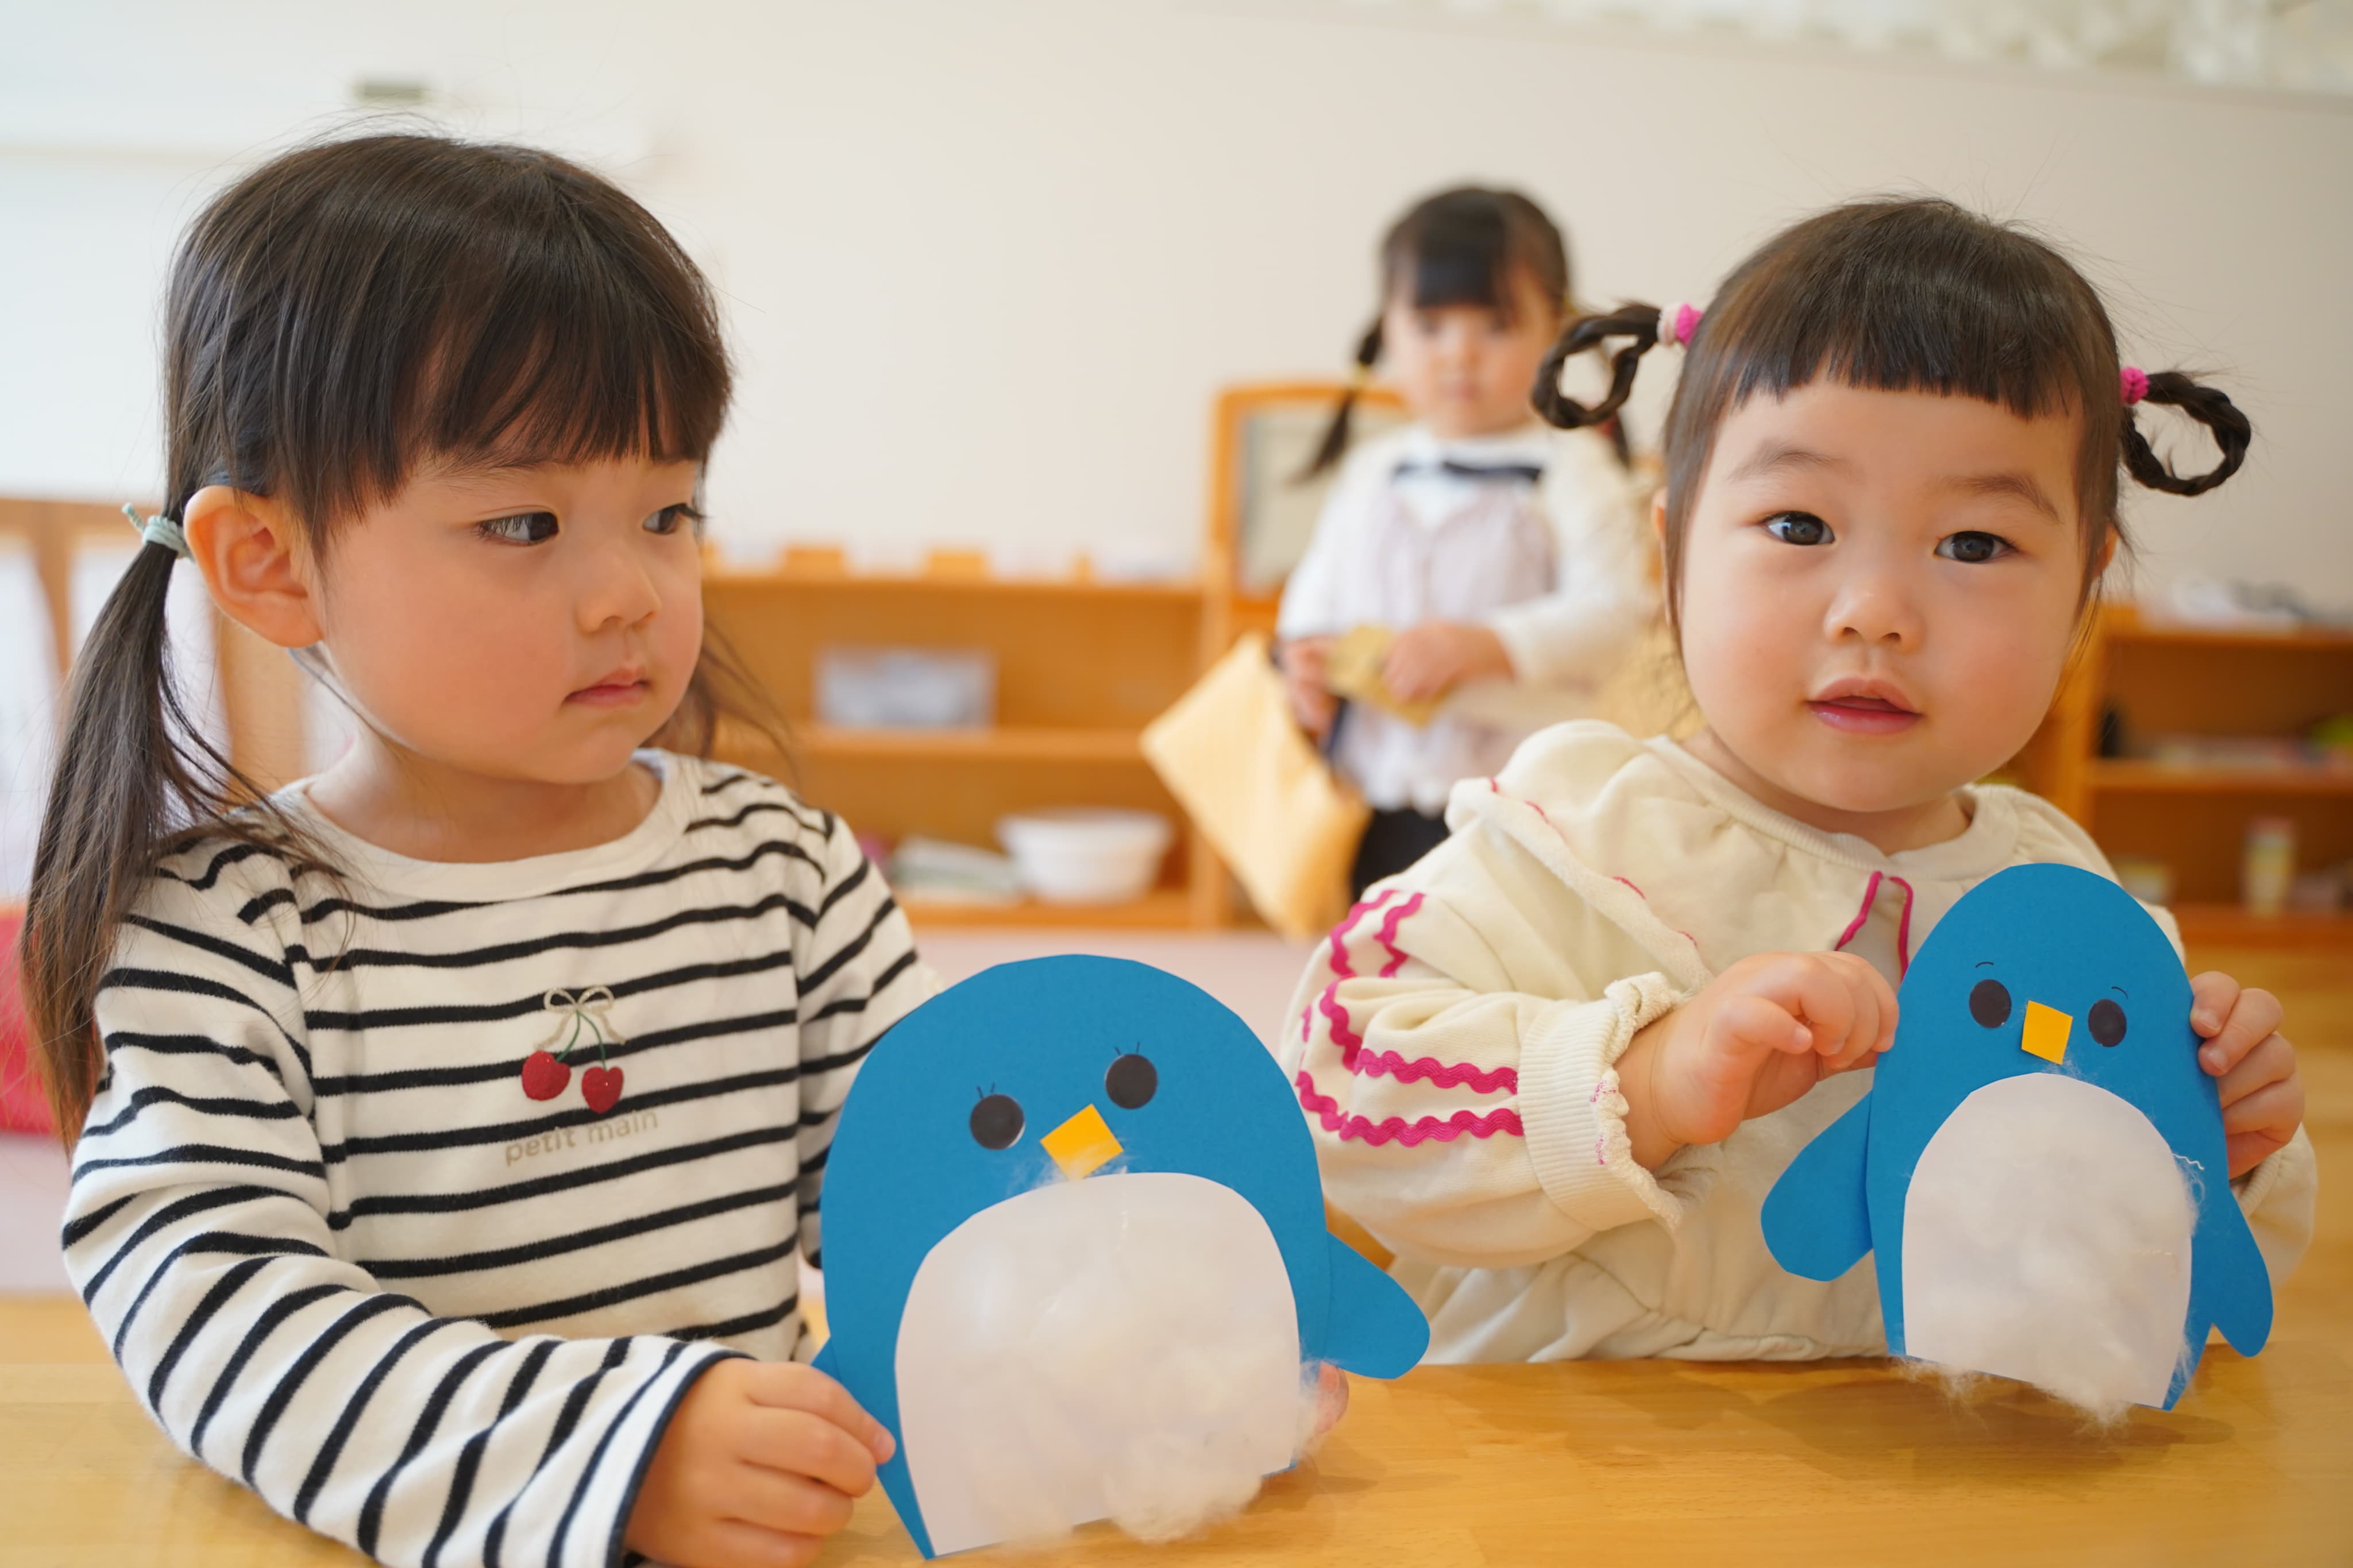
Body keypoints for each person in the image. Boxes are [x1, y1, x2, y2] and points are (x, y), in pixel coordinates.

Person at [27, 135, 921, 1568]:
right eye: (523, 522)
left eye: (668, 512)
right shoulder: (230, 932)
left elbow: (934, 1199)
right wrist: (617, 1458)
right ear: (272, 563)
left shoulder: (786, 875)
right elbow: (211, 1311)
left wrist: (1131, 1321)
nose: (630, 595)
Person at [1278, 196, 2315, 1368]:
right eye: (1797, 524)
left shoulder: (2063, 902)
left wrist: (2215, 1148)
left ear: (2083, 591)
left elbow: (2168, 1303)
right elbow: (1337, 1090)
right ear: (1670, 553)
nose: (1873, 610)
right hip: (1577, 1444)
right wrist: (1644, 1083)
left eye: (1974, 545)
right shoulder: (1572, 834)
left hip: (1938, 1452)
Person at [1275, 187, 1652, 899]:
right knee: (1378, 945)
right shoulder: (1373, 470)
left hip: (1520, 800)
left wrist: (1487, 644)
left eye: (1496, 326)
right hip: (1378, 793)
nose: (1459, 355)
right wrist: (1305, 657)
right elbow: (1316, 591)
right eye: (1429, 325)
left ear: (1555, 330)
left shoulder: (1574, 469)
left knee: (1503, 952)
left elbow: (1612, 612)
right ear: (1385, 330)